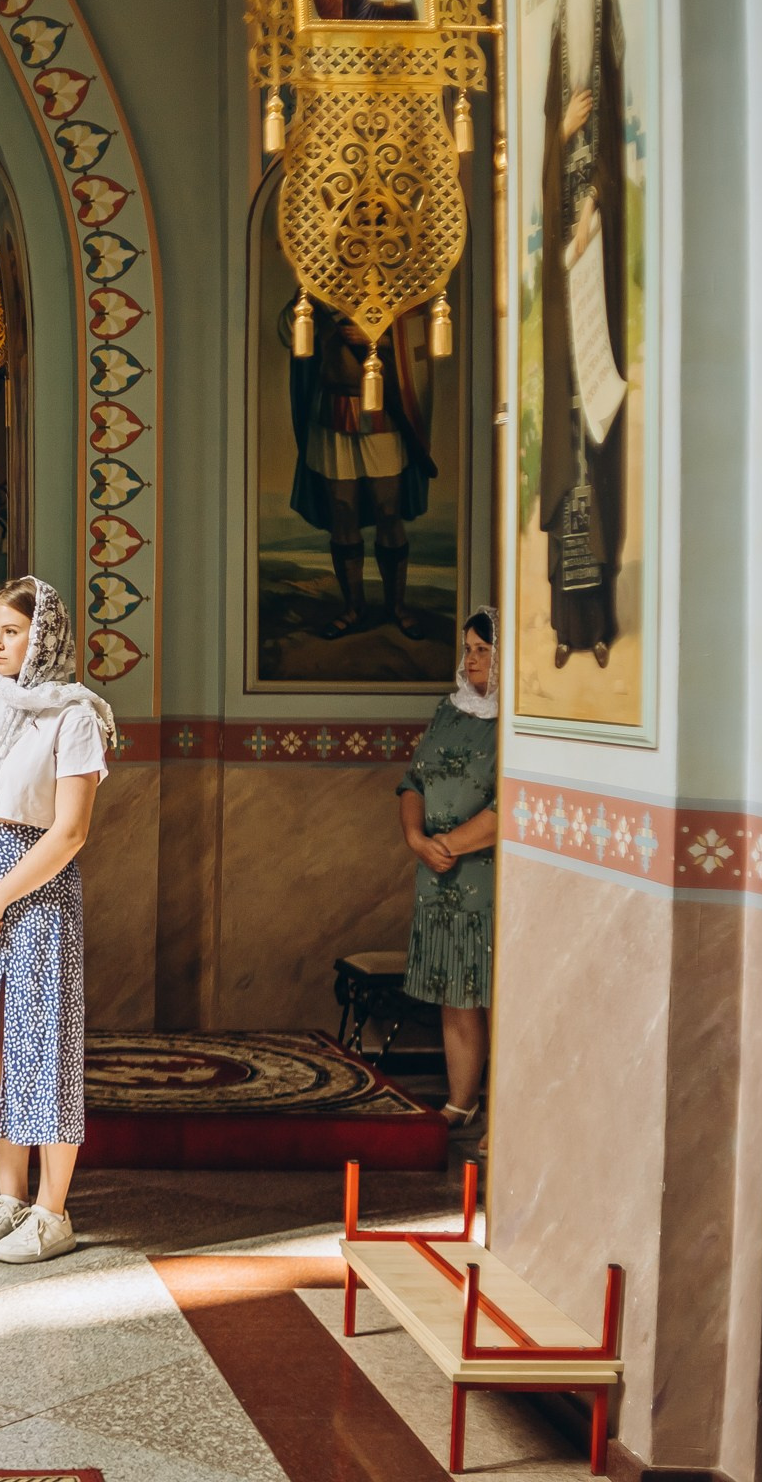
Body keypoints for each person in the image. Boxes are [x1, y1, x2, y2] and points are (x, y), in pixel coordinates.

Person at [0, 577, 112, 1266]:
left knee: (44, 1045)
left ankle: (51, 1211)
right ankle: (9, 1198)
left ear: (46, 637)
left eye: (13, 632)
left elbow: (69, 832)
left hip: (36, 895)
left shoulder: (75, 716)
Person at [539, 0, 626, 669]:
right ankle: (567, 628)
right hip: (566, 275)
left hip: (595, 258)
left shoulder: (601, 8)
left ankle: (596, 623)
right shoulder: (559, 38)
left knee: (596, 457)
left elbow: (609, 124)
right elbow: (552, 136)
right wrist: (560, 133)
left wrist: (595, 203)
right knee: (565, 461)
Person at [399, 609, 500, 1131]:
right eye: (468, 649)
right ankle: (461, 1102)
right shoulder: (449, 709)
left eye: (483, 650)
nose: (472, 659)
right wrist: (417, 840)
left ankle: (504, 1117)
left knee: (496, 996)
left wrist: (450, 844)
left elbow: (513, 803)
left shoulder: (518, 721)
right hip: (438, 877)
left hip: (488, 881)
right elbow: (412, 781)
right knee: (454, 990)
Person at [288, 303, 438, 638]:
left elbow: (417, 333)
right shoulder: (318, 287)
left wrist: (378, 337)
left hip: (382, 410)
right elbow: (288, 332)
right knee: (342, 511)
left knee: (388, 509)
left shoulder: (395, 283)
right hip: (333, 409)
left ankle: (396, 607)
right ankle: (353, 608)